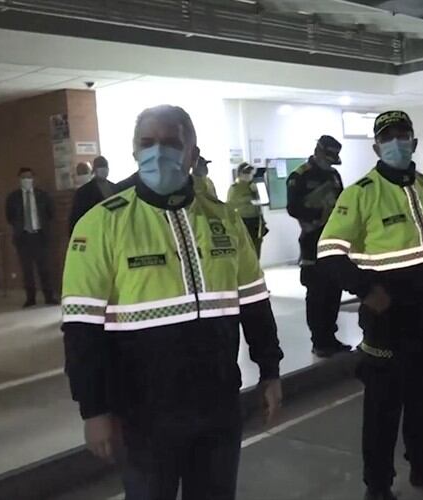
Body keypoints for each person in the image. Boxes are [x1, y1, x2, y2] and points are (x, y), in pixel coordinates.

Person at [61, 104, 283, 500]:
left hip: (217, 402)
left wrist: (270, 370)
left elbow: (254, 301)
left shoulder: (224, 219)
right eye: (147, 143)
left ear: (192, 155)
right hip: (142, 413)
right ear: (133, 151)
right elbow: (81, 331)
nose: (157, 152)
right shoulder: (100, 224)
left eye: (170, 143)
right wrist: (93, 409)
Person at [318, 111, 423, 500]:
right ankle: (379, 486)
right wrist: (367, 289)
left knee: (422, 399)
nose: (397, 142)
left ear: (414, 143)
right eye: (389, 137)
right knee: (383, 409)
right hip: (385, 320)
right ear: (376, 147)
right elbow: (330, 253)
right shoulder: (361, 192)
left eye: (404, 135)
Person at [287, 135, 351, 357]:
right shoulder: (300, 176)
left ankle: (330, 336)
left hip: (333, 241)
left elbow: (342, 202)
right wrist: (319, 214)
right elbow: (293, 208)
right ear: (318, 150)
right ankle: (319, 340)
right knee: (316, 291)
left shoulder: (333, 175)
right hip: (312, 240)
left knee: (334, 289)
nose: (330, 162)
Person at [5, 168, 57, 308]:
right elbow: (10, 217)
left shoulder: (42, 196)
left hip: (40, 235)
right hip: (23, 237)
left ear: (34, 178)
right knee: (27, 270)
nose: (27, 180)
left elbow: (50, 213)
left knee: (44, 268)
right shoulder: (13, 197)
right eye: (23, 177)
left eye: (29, 177)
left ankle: (49, 296)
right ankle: (30, 298)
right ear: (19, 179)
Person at [226, 162, 266, 255]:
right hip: (242, 221)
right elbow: (230, 205)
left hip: (256, 220)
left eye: (251, 173)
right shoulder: (234, 188)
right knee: (245, 248)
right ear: (240, 173)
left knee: (256, 246)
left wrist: (257, 191)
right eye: (247, 173)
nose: (249, 175)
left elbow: (262, 201)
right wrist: (249, 199)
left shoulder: (253, 186)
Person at [69, 156, 116, 232]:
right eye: (100, 166)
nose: (103, 170)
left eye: (105, 166)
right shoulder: (84, 191)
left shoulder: (116, 187)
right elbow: (76, 216)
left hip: (113, 227)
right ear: (95, 170)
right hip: (94, 228)